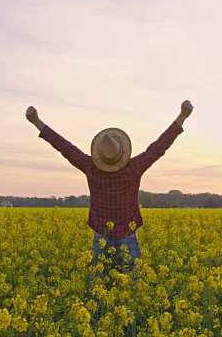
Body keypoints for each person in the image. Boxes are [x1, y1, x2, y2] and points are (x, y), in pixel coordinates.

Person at [25, 101, 193, 275]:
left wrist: (36, 121)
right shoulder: (133, 169)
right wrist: (182, 116)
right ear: (122, 153)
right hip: (128, 238)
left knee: (98, 292)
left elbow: (65, 148)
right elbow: (159, 147)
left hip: (102, 239)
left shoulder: (91, 168)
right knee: (133, 291)